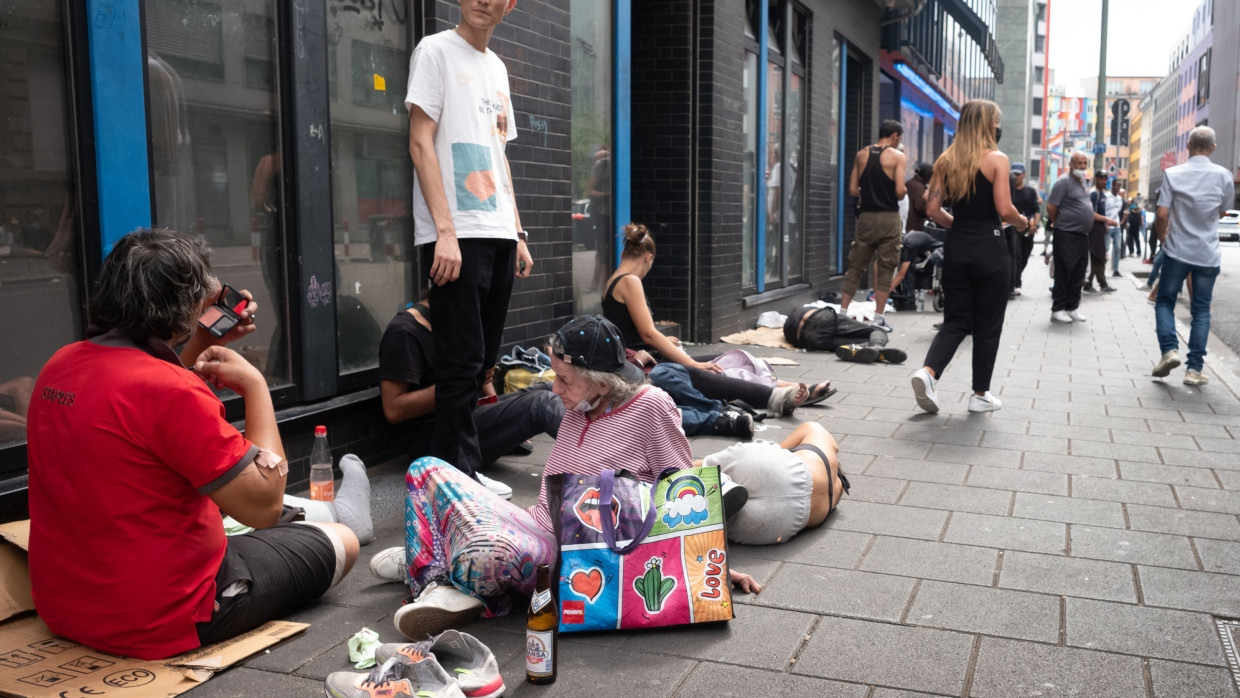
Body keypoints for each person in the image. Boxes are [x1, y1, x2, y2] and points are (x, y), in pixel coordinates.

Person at [25, 229, 361, 661]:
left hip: (68, 607)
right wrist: (256, 387)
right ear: (183, 307)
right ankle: (341, 516)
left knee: (261, 506)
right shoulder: (171, 391)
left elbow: (146, 417)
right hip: (162, 615)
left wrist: (203, 342)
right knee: (343, 540)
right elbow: (262, 506)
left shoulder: (60, 365)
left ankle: (329, 509)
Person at [367, 316, 762, 642]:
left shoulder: (651, 407)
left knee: (490, 551)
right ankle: (441, 577)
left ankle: (444, 565)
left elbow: (681, 489)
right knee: (426, 469)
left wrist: (712, 566)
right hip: (532, 523)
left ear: (602, 382)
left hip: (574, 552)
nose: (554, 389)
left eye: (564, 379)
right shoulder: (579, 406)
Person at [405, 0, 533, 487]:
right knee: (460, 362)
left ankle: (458, 468)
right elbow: (420, 142)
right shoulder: (434, 51)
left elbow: (499, 157)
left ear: (510, 4)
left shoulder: (497, 68)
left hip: (497, 230)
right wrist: (444, 232)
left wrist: (517, 231)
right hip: (457, 232)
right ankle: (458, 474)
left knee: (481, 361)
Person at [602, 224, 834, 416]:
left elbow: (635, 331)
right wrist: (691, 363)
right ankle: (777, 397)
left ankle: (789, 386)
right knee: (705, 371)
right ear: (648, 258)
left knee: (731, 358)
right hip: (646, 366)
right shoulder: (630, 281)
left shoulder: (612, 280)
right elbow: (648, 334)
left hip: (646, 357)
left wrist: (666, 341)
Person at [909, 100, 1030, 414]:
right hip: (990, 247)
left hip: (957, 246)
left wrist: (960, 226)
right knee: (988, 324)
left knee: (957, 320)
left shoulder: (946, 160)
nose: (996, 126)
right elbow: (1004, 209)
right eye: (995, 121)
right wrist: (1022, 222)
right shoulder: (997, 160)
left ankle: (928, 372)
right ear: (987, 123)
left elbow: (932, 210)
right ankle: (979, 395)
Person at [377, 297, 565, 499]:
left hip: (467, 417)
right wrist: (459, 383)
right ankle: (597, 457)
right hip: (438, 440)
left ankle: (599, 434)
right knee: (541, 404)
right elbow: (393, 410)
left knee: (552, 389)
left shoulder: (456, 321)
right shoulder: (404, 332)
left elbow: (476, 375)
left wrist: (504, 415)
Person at [1151, 126, 1235, 386]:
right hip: (1207, 253)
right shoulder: (1224, 176)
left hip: (1178, 250)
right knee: (1201, 310)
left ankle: (1169, 350)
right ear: (1213, 148)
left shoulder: (1173, 174)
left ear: (1188, 145)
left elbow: (1162, 213)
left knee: (1165, 301)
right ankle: (1194, 369)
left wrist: (1164, 237)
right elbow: (1223, 211)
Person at [704, 422, 849, 546]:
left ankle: (717, 482)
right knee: (704, 515)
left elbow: (811, 430)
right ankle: (703, 502)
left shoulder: (823, 452)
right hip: (780, 522)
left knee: (703, 467)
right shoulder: (837, 494)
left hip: (785, 472)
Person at [842, 120, 908, 333]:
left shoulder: (862, 154)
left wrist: (870, 193)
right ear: (896, 135)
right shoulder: (898, 157)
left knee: (855, 267)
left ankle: (842, 315)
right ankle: (878, 319)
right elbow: (899, 191)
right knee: (886, 268)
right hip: (888, 218)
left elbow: (853, 189)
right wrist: (901, 191)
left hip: (866, 219)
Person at [1046, 152, 1110, 323]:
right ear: (1071, 164)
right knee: (1064, 272)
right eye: (1079, 163)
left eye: (1084, 163)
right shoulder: (1063, 181)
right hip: (1066, 234)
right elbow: (1051, 207)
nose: (1082, 166)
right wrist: (1059, 221)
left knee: (1079, 273)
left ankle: (1072, 307)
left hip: (1082, 235)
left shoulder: (1083, 181)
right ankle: (1058, 308)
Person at [1007, 162, 1042, 297]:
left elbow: (1036, 210)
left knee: (1025, 256)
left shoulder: (1030, 191)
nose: (1015, 177)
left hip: (1027, 228)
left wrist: (1035, 225)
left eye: (1018, 174)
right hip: (1011, 227)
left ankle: (1015, 278)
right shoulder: (1007, 191)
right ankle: (1016, 283)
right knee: (1016, 255)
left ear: (1024, 175)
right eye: (1013, 174)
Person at [1084, 171, 1121, 293]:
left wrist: (1105, 223)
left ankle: (1096, 283)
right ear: (1096, 179)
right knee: (1097, 256)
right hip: (1093, 229)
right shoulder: (1094, 194)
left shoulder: (1102, 194)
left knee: (1099, 257)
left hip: (1100, 229)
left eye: (1105, 179)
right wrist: (1106, 220)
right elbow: (1091, 214)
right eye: (1101, 179)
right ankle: (1090, 283)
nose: (1103, 181)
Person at [905, 162, 934, 234]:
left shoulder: (909, 183)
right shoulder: (919, 187)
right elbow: (920, 207)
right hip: (914, 226)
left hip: (907, 224)